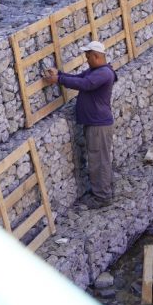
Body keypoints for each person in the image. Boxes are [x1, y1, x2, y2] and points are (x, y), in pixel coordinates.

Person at [43, 41, 116, 208]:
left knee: (99, 161)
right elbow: (78, 79)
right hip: (96, 123)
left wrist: (58, 79)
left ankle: (102, 197)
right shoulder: (96, 71)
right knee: (99, 159)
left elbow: (84, 84)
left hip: (99, 125)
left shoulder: (103, 73)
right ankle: (104, 192)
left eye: (88, 56)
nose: (87, 59)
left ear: (97, 56)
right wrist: (59, 74)